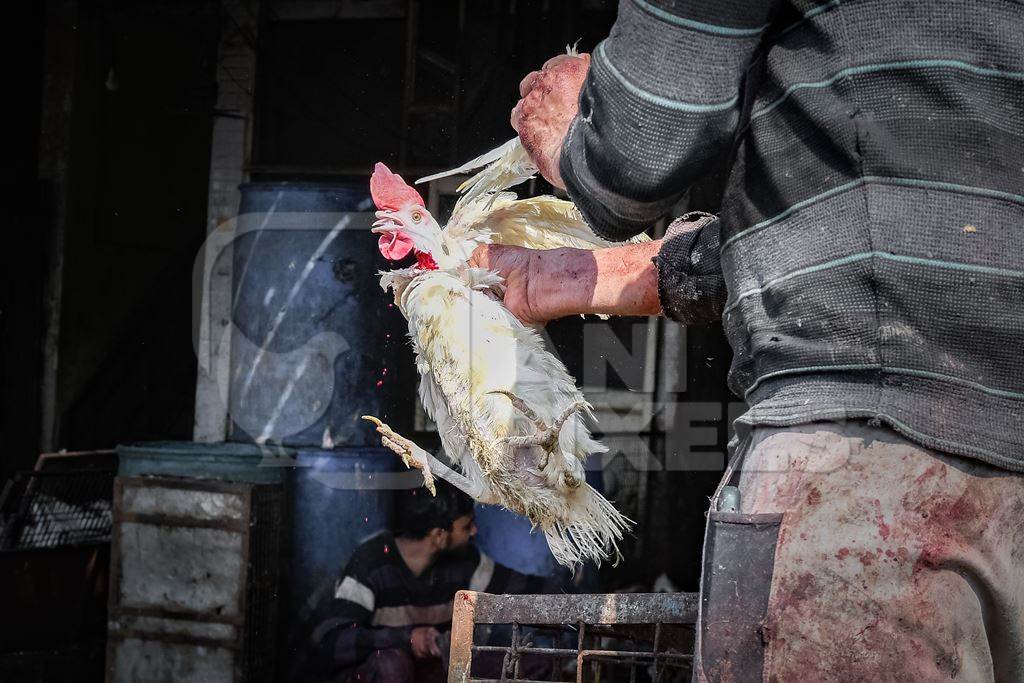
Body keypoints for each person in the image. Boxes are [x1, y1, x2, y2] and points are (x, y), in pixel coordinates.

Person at [470, 1, 1024, 679]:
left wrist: (580, 133)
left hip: (871, 461)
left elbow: (642, 145)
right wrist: (562, 278)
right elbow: (909, 227)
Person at [296, 481, 554, 682]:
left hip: (431, 673)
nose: (475, 531)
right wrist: (406, 639)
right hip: (384, 673)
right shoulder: (372, 562)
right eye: (467, 526)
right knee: (392, 665)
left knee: (530, 661)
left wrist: (580, 600)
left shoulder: (466, 562)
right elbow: (332, 641)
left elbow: (526, 592)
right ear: (439, 535)